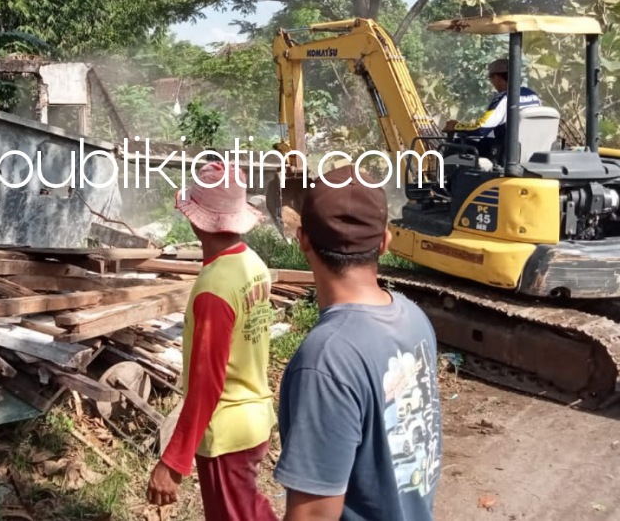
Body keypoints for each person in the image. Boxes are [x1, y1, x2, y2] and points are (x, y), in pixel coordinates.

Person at [273, 164, 442, 521]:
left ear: (303, 238)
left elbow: (314, 515)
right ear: (385, 242)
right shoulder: (415, 319)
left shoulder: (327, 359)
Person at [146, 159, 279, 521]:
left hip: (227, 433)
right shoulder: (254, 265)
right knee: (249, 508)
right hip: (256, 417)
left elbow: (206, 384)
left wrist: (173, 460)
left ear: (195, 218)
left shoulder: (214, 289)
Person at [443, 57, 541, 161]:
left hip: (506, 153)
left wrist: (456, 126)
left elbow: (481, 129)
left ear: (497, 77)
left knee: (457, 145)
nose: (491, 82)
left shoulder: (505, 98)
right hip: (531, 153)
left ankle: (446, 176)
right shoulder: (533, 96)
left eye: (491, 77)